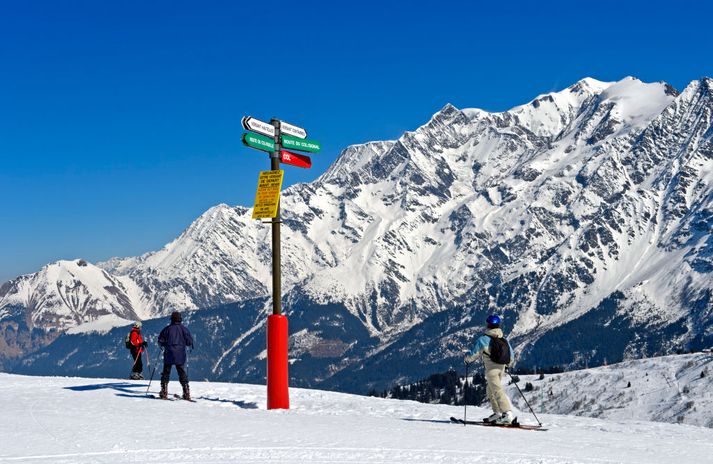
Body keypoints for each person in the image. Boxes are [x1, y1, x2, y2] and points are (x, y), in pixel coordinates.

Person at [464, 314, 515, 425]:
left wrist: (466, 359)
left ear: (488, 325)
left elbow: (474, 354)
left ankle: (507, 413)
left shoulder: (483, 340)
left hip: (491, 370)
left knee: (497, 390)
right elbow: (512, 356)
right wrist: (508, 365)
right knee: (490, 390)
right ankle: (497, 413)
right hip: (501, 368)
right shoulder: (504, 340)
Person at [157, 311, 194, 400]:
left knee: (166, 373)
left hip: (168, 353)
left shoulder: (166, 329)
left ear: (171, 319)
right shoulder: (184, 329)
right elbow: (189, 342)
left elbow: (160, 341)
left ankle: (164, 391)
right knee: (182, 373)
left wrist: (164, 345)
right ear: (180, 319)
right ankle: (186, 392)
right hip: (180, 354)